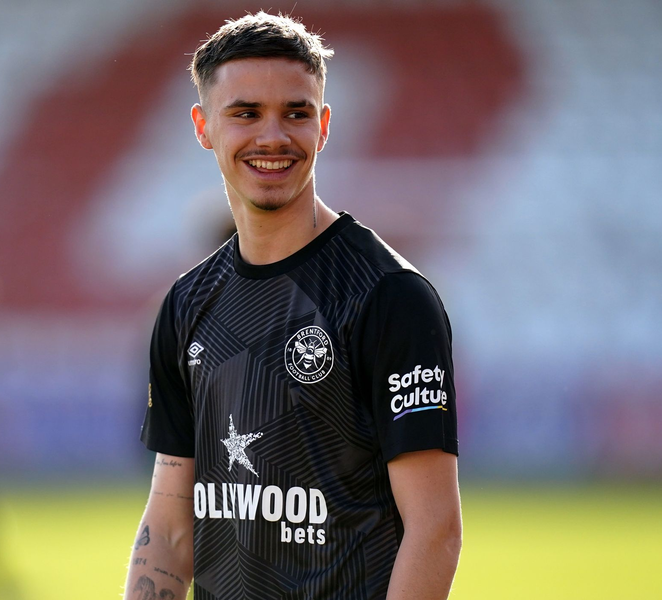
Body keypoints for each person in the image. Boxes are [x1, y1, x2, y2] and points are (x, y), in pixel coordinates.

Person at [124, 12, 461, 600]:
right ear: (204, 126)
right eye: (246, 113)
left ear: (324, 125)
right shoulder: (185, 305)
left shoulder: (388, 297)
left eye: (297, 113)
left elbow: (435, 530)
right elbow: (170, 528)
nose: (273, 137)